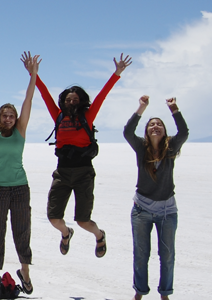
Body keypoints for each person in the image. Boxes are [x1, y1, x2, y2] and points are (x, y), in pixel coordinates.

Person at [36, 53, 132, 258]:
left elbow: (102, 96)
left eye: (75, 99)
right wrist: (34, 75)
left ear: (81, 102)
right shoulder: (58, 116)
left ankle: (99, 235)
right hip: (62, 172)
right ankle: (66, 233)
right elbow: (45, 96)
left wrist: (116, 74)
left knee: (83, 220)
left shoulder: (87, 117)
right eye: (68, 99)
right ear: (64, 101)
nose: (72, 102)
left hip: (84, 173)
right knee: (54, 218)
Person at [0, 51, 39, 298]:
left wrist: (33, 75)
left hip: (19, 188)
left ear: (16, 119)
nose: (7, 118)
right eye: (4, 115)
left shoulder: (21, 131)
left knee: (22, 231)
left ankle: (25, 273)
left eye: (11, 116)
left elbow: (28, 100)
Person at [124, 95, 187, 300]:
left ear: (164, 130)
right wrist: (141, 108)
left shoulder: (171, 148)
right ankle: (139, 292)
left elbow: (184, 132)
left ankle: (165, 294)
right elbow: (127, 132)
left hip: (167, 210)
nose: (155, 126)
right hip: (141, 209)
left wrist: (174, 109)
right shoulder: (141, 148)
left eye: (159, 124)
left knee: (167, 256)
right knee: (141, 255)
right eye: (152, 124)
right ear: (147, 130)